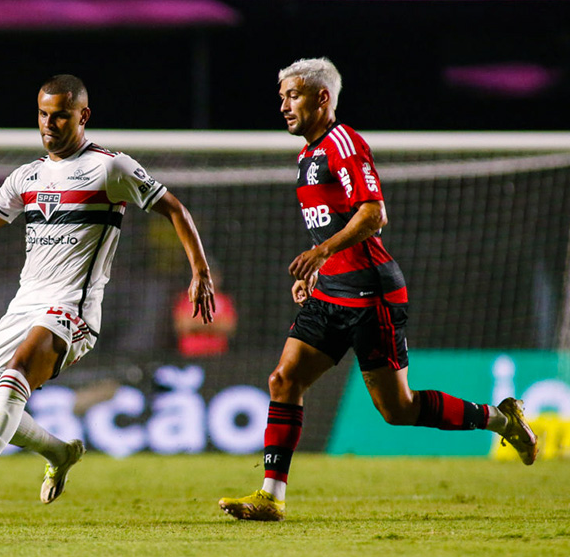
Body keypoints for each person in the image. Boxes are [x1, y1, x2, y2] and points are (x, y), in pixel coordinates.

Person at [218, 57, 537, 522]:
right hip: (330, 293)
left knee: (398, 409)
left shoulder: (343, 143)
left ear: (321, 97)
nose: (284, 105)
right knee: (283, 380)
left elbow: (373, 214)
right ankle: (271, 496)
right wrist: (316, 271)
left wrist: (323, 253)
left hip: (372, 295)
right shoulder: (307, 155)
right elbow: (331, 222)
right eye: (282, 96)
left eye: (293, 95)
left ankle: (501, 419)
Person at [0, 74, 216, 515]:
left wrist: (199, 270)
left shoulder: (110, 167)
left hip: (73, 306)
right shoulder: (28, 176)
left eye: (61, 115)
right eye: (43, 114)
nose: (50, 124)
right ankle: (60, 453)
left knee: (16, 375)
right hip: (24, 303)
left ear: (83, 116)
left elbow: (172, 206)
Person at [173, 265, 237, 357]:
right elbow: (183, 326)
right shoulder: (186, 299)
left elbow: (228, 327)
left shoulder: (224, 301)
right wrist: (213, 324)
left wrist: (197, 324)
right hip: (190, 355)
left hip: (217, 355)